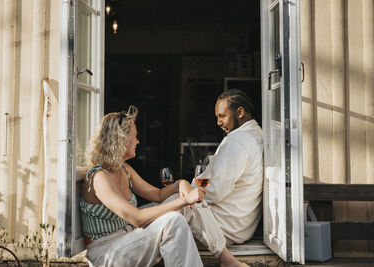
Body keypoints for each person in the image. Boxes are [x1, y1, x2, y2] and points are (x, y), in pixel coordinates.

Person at [80, 106, 243, 267]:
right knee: (173, 220)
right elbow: (138, 219)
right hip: (107, 253)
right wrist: (185, 200)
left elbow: (157, 195)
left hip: (128, 237)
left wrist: (182, 184)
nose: (138, 141)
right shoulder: (99, 177)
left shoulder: (123, 169)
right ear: (120, 139)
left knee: (177, 201)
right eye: (135, 137)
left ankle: (226, 259)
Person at [191, 89, 264, 245]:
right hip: (239, 226)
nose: (218, 122)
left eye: (222, 116)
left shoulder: (237, 141)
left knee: (159, 216)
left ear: (240, 112)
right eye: (217, 117)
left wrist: (186, 192)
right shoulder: (257, 134)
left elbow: (214, 191)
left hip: (221, 227)